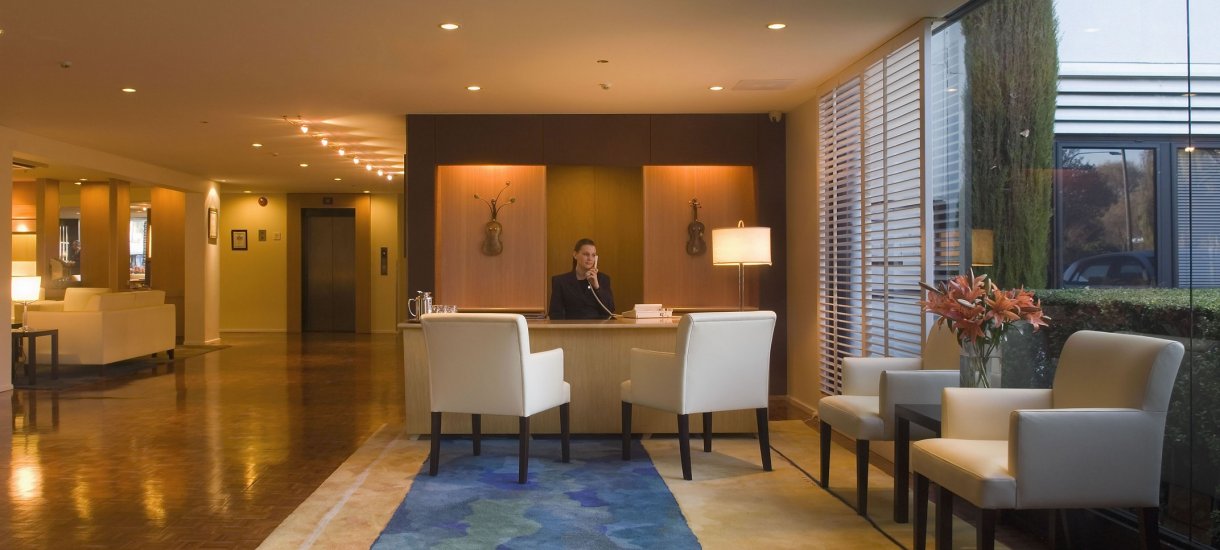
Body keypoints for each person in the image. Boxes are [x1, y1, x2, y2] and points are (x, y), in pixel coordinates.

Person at [549, 238, 615, 320]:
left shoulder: (603, 279)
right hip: (571, 326)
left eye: (593, 255)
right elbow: (555, 314)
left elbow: (610, 310)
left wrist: (597, 287)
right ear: (575, 255)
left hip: (598, 326)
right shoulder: (560, 282)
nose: (590, 258)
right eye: (586, 254)